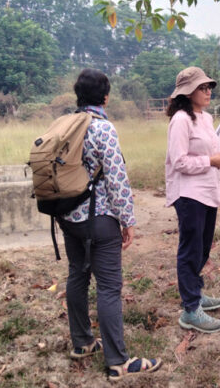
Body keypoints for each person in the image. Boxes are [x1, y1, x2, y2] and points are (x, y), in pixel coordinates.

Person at [59, 69, 161, 380]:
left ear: (78, 95)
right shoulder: (103, 129)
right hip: (99, 220)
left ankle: (82, 343)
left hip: (67, 217)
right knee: (108, 288)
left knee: (77, 274)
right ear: (105, 97)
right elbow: (117, 180)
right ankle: (118, 362)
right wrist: (127, 220)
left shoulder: (65, 124)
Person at [165, 66, 220, 333]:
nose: (208, 92)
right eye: (202, 88)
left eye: (209, 88)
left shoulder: (204, 118)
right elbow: (179, 161)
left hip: (207, 190)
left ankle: (196, 292)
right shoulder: (181, 120)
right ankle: (190, 308)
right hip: (189, 193)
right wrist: (211, 160)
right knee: (190, 249)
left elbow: (211, 151)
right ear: (187, 92)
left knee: (203, 246)